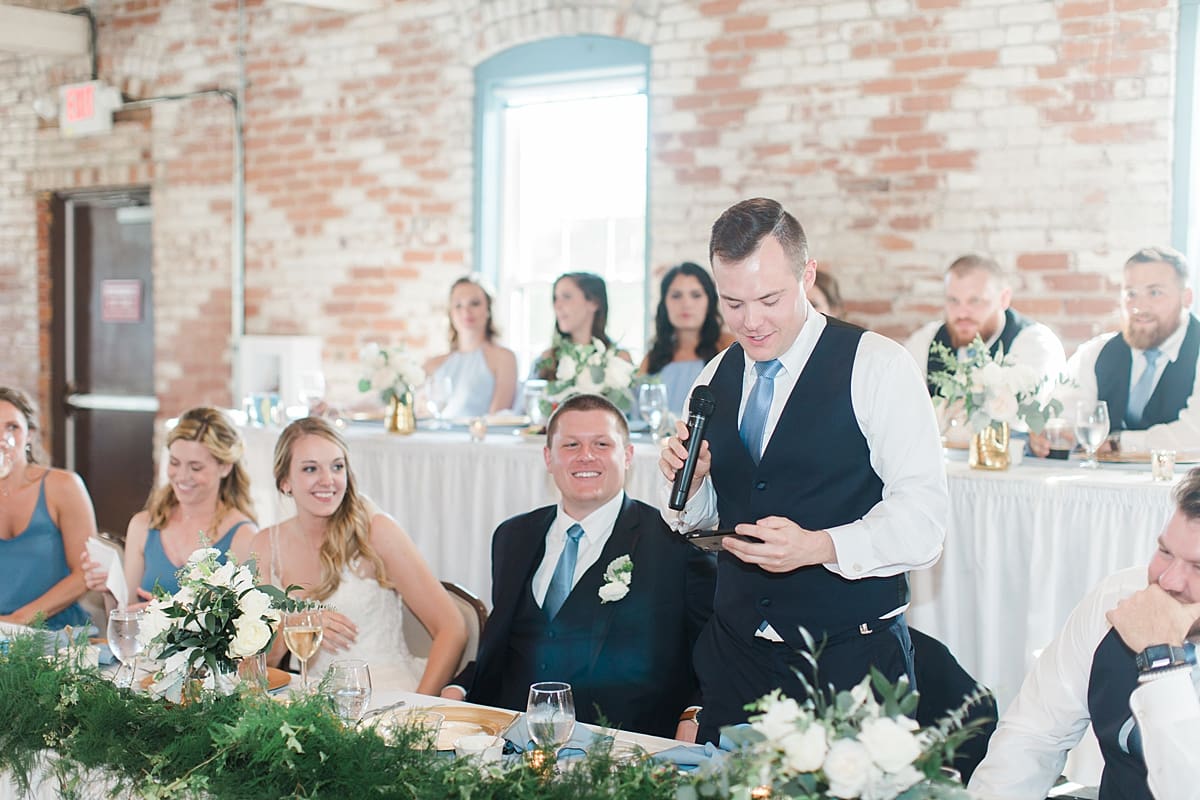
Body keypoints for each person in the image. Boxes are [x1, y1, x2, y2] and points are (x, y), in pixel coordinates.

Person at [658, 197, 948, 745]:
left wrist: (820, 546)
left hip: (850, 660)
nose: (751, 322)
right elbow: (707, 517)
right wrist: (693, 489)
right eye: (734, 303)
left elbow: (925, 524)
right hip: (736, 656)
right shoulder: (716, 374)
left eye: (769, 299)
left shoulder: (878, 366)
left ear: (807, 275)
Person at [443, 393, 716, 739]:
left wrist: (693, 714)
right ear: (548, 457)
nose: (586, 455)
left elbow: (714, 647)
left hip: (620, 744)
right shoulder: (513, 535)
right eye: (571, 445)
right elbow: (505, 641)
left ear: (628, 455)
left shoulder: (675, 543)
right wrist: (461, 688)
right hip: (510, 738)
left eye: (602, 444)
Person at [968, 467, 1200, 800]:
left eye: (1198, 568)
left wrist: (1161, 659)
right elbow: (1034, 734)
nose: (1168, 581)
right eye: (1165, 552)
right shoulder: (1116, 599)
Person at [253, 416, 466, 693]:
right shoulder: (266, 546)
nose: (327, 480)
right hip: (313, 701)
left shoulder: (376, 532)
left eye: (337, 467)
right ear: (285, 482)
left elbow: (452, 628)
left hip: (387, 694)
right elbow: (257, 664)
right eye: (310, 469)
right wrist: (292, 624)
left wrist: (421, 709)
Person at [1031, 246, 1200, 457]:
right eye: (1131, 294)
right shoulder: (1096, 353)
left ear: (1187, 298)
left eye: (1154, 293)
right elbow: (1064, 416)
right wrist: (1050, 434)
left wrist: (1119, 443)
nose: (1139, 306)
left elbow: (1195, 434)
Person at [81, 407, 258, 608]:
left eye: (195, 467)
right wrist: (110, 591)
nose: (182, 476)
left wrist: (169, 614)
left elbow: (243, 627)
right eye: (175, 463)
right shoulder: (143, 526)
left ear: (225, 467)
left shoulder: (244, 536)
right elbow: (125, 621)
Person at [904, 254, 1066, 397]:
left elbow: (1024, 419)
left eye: (975, 301)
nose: (962, 314)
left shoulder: (1035, 343)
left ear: (1004, 298)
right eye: (953, 300)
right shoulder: (925, 342)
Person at [0, 387, 94, 629]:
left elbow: (85, 573)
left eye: (12, 427)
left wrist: (18, 621)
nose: (3, 438)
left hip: (54, 631)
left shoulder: (63, 486)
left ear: (29, 435)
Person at [639, 262, 736, 413]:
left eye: (696, 295)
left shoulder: (729, 346)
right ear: (664, 303)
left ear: (709, 301)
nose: (686, 304)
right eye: (676, 296)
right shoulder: (653, 357)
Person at [423, 276, 518, 418]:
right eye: (458, 305)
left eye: (474, 303)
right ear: (450, 313)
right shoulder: (432, 365)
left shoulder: (504, 359)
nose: (466, 311)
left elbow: (498, 419)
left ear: (488, 309)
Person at [535, 272, 631, 380]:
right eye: (555, 298)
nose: (557, 305)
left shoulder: (619, 359)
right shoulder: (547, 359)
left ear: (594, 303)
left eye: (566, 297)